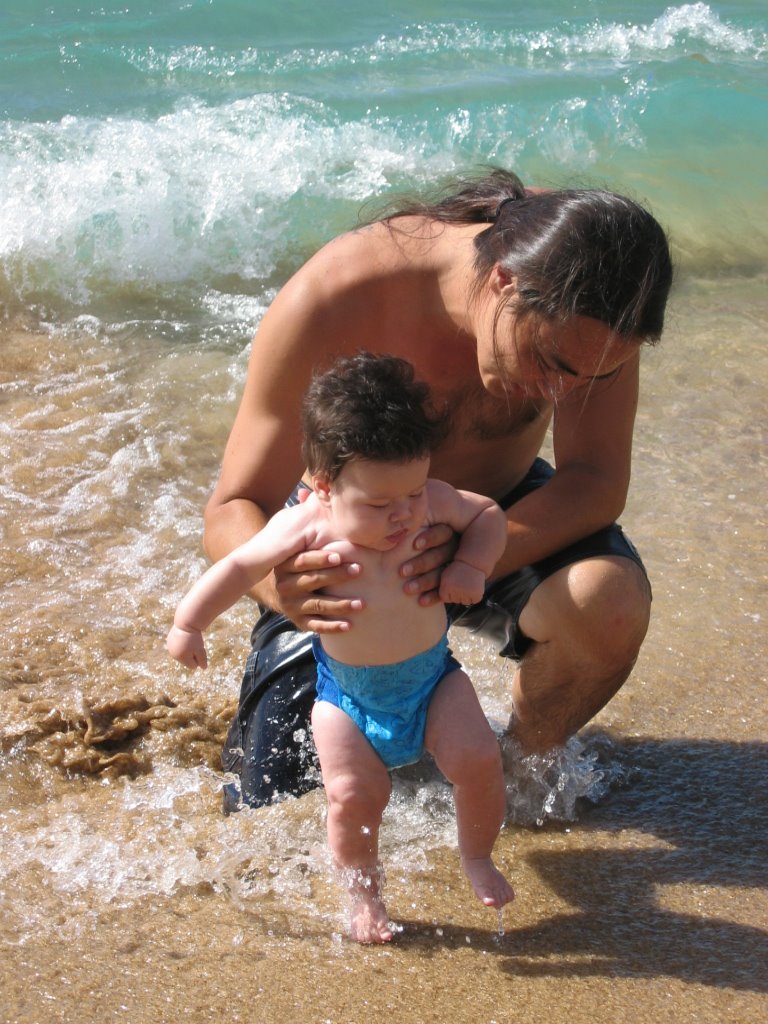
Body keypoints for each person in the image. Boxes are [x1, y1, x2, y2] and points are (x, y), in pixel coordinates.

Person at [203, 167, 673, 813]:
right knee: (276, 807)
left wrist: (469, 557)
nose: (567, 395)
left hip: (490, 516)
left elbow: (595, 480)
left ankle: (512, 779)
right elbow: (233, 505)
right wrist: (284, 586)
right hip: (346, 546)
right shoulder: (340, 294)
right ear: (504, 281)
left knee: (609, 603)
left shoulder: (601, 303)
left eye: (593, 378)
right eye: (554, 367)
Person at [168, 353, 513, 943]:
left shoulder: (426, 499)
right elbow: (237, 565)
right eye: (380, 504)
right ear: (323, 486)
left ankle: (477, 855)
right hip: (346, 699)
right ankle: (364, 898)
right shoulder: (305, 524)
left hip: (434, 681)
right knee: (353, 797)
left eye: (412, 490)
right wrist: (189, 623)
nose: (405, 513)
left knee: (479, 762)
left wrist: (472, 563)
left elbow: (486, 513)